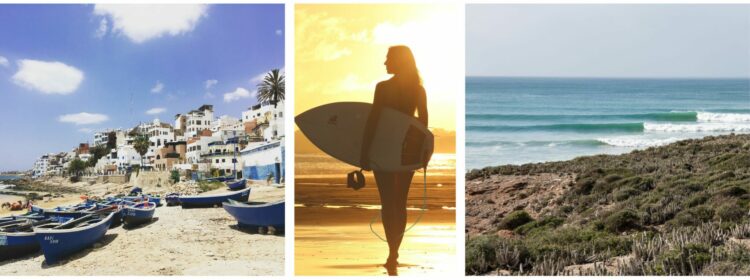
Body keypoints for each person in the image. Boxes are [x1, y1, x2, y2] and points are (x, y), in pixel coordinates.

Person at [360, 45, 428, 274]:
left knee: (388, 202)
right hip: (406, 152)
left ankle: (392, 251)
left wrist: (364, 153)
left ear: (399, 61)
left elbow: (373, 121)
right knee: (400, 202)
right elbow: (423, 127)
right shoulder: (418, 90)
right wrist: (422, 154)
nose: (385, 62)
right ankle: (394, 251)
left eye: (388, 58)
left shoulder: (383, 88)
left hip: (383, 150)